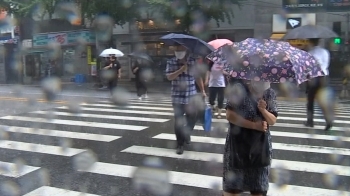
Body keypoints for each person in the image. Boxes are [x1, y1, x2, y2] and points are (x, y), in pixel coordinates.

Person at [224, 80, 278, 196]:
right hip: (238, 145)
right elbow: (230, 115)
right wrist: (254, 125)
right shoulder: (238, 88)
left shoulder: (269, 93)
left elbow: (272, 120)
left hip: (260, 146)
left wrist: (263, 110)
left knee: (258, 189)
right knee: (232, 190)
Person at [165, 44, 206, 155]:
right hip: (177, 97)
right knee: (178, 121)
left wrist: (202, 91)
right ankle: (180, 144)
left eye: (181, 49)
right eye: (177, 49)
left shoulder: (193, 62)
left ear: (186, 50)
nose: (179, 51)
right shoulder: (171, 62)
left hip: (191, 96)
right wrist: (180, 70)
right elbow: (169, 77)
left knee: (192, 118)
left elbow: (198, 77)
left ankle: (186, 133)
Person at [304, 38, 333, 131]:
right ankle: (328, 121)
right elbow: (326, 64)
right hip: (324, 78)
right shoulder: (325, 52)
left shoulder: (310, 52)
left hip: (314, 78)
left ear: (311, 42)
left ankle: (310, 121)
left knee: (310, 100)